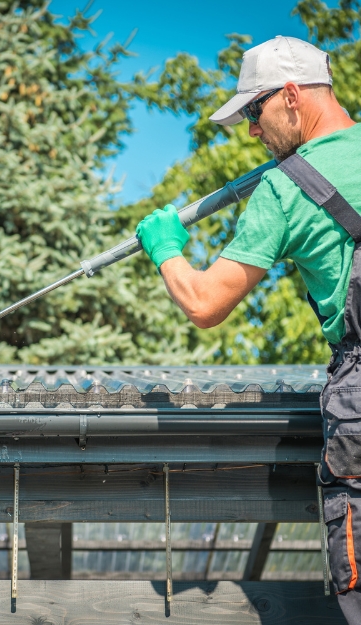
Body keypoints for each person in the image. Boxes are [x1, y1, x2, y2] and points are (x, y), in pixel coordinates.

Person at [136, 35, 361, 623]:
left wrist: (166, 250)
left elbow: (205, 303)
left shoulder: (287, 189)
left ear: (291, 95)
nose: (252, 132)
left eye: (254, 112)